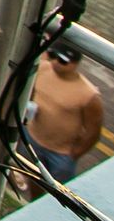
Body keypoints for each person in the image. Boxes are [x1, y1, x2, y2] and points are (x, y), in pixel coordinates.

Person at [25, 43, 104, 182]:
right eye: (53, 56)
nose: (55, 63)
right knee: (35, 179)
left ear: (75, 64)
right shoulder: (42, 69)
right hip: (32, 139)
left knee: (59, 193)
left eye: (62, 61)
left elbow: (93, 132)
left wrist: (73, 155)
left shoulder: (89, 95)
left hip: (60, 154)